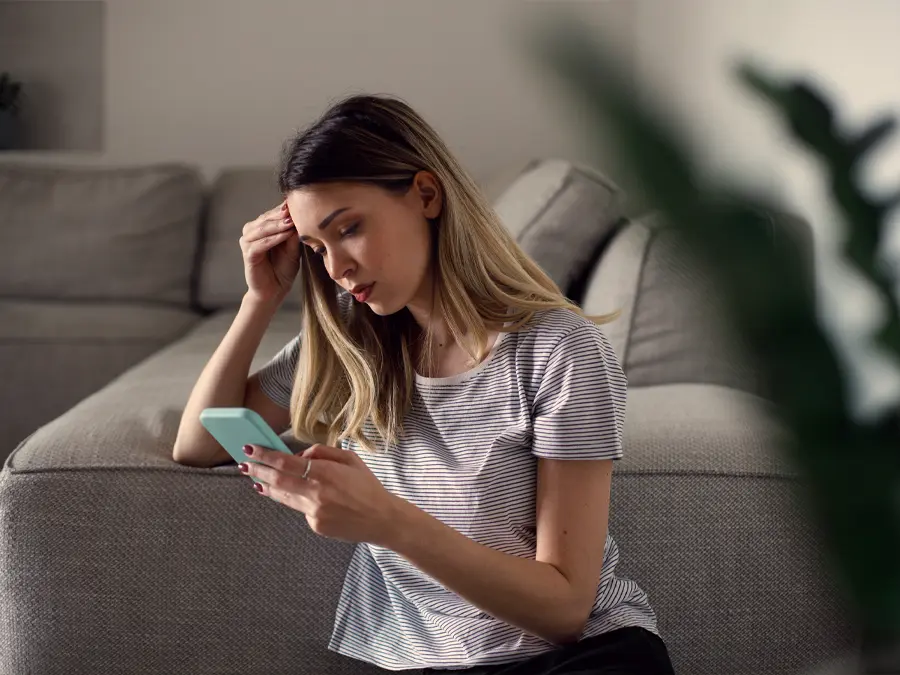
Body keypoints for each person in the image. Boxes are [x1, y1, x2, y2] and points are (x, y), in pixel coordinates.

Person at [172, 93, 675, 674]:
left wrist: (386, 519)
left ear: (427, 195)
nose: (336, 268)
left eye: (349, 229)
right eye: (315, 248)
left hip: (578, 658)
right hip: (424, 662)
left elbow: (565, 610)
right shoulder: (350, 339)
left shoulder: (560, 350)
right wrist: (260, 298)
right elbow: (199, 442)